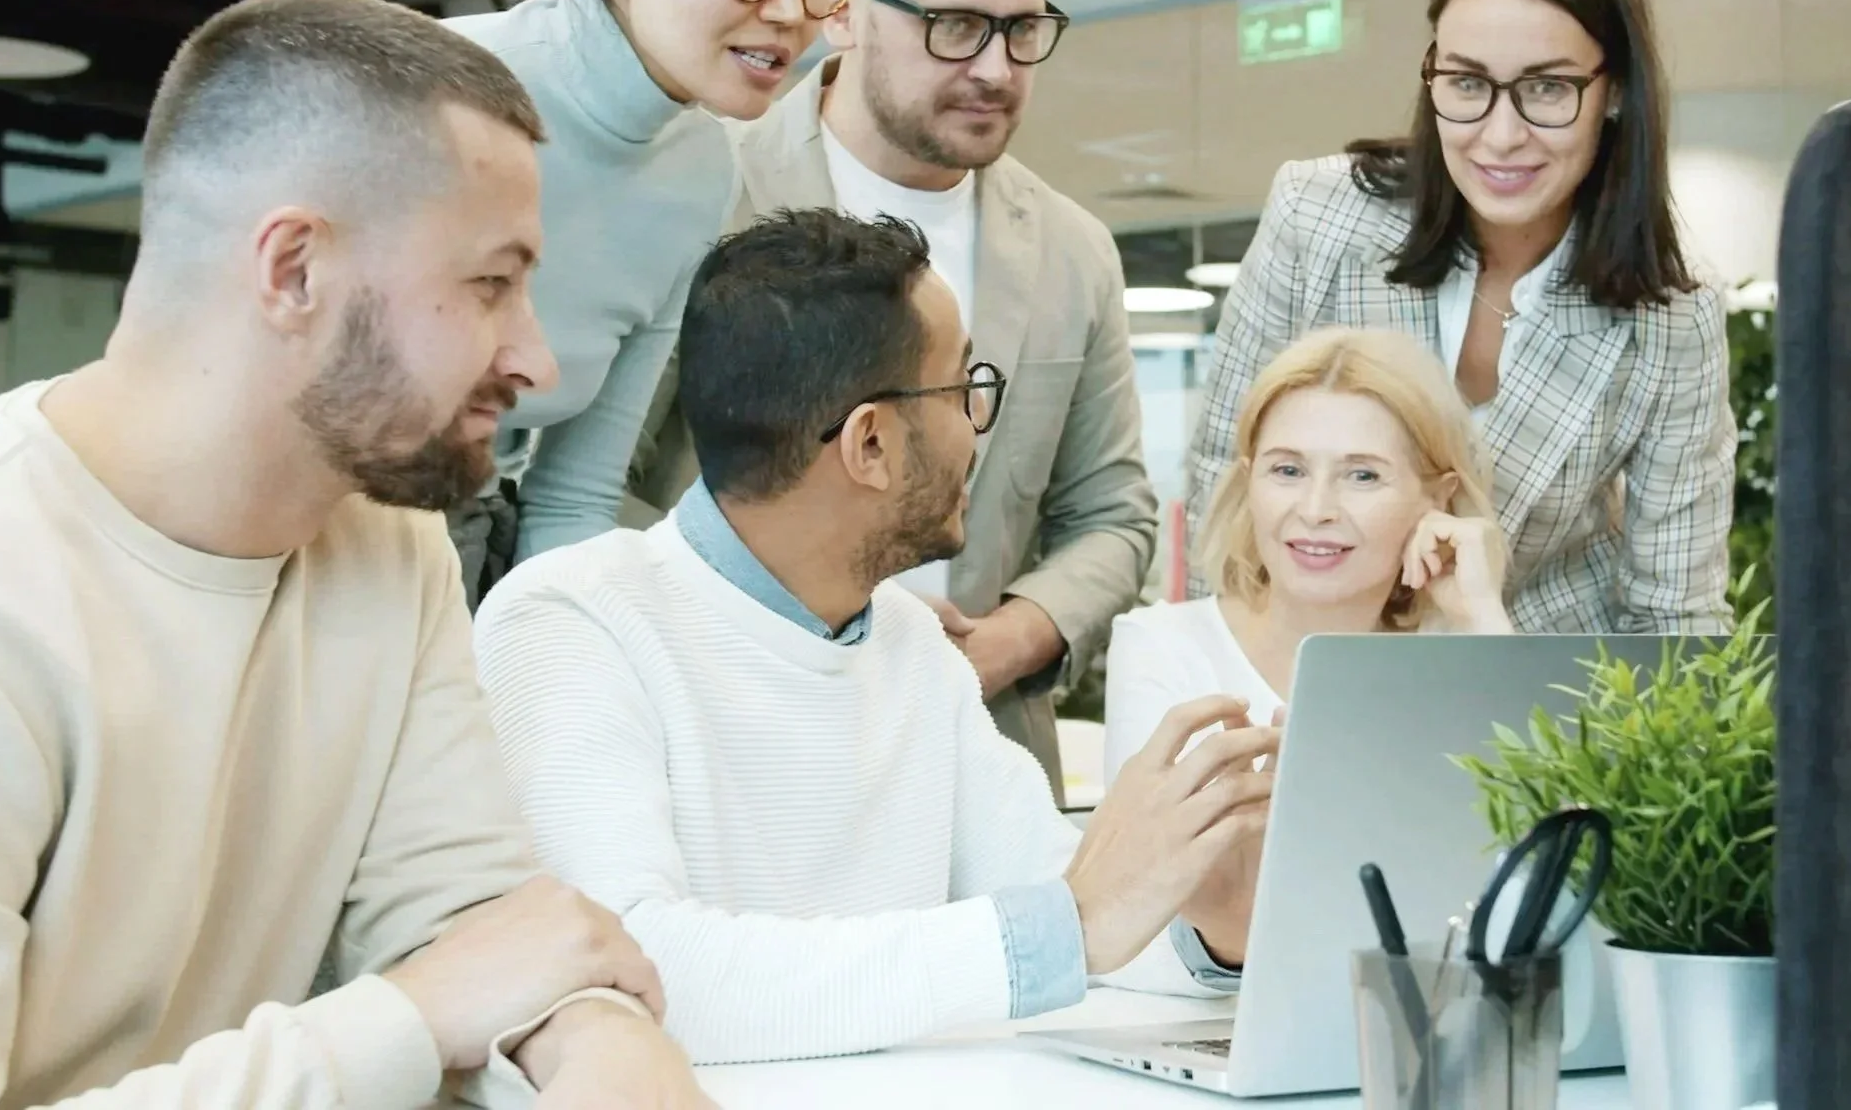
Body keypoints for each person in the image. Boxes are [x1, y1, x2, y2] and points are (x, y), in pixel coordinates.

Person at [0, 0, 712, 1109]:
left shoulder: (387, 541)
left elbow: (473, 918)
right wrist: (401, 1018)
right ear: (294, 269)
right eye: (491, 284)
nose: (537, 359)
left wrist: (602, 1045)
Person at [473, 209, 1272, 1065]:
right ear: (871, 444)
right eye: (965, 389)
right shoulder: (571, 620)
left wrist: (1210, 916)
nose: (977, 427)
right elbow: (627, 970)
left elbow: (1073, 913)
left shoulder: (910, 644)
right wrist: (1072, 924)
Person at [717, 0, 1153, 799]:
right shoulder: (714, 191)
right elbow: (622, 485)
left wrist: (1009, 641)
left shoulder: (1073, 253)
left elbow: (1112, 516)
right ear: (842, 8)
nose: (996, 68)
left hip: (971, 756)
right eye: (954, 25)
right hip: (727, 736)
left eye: (1022, 28)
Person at [1188, 0, 1736, 636]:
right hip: (1308, 675)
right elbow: (1221, 489)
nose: (1499, 135)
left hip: (1539, 699)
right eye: (1468, 84)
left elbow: (1675, 617)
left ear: (1616, 92)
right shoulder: (1316, 217)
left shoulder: (1668, 316)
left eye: (1547, 88)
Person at [442, 0, 857, 604]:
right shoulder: (440, 94)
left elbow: (573, 495)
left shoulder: (701, 170)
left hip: (481, 571)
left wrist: (539, 675)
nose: (790, 7)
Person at [1103, 327, 1512, 785]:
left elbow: (1558, 835)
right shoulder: (1165, 648)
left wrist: (1483, 621)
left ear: (1437, 498)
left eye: (1362, 476)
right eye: (1288, 470)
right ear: (1249, 480)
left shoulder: (1462, 658)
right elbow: (1145, 854)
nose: (1316, 510)